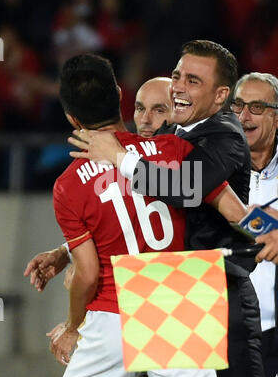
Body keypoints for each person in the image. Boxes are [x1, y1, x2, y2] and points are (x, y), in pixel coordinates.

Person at [68, 40, 267, 377]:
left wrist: (120, 157)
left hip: (220, 291)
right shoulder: (174, 138)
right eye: (177, 75)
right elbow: (135, 209)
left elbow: (189, 190)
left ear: (221, 95)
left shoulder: (224, 135)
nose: (178, 86)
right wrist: (63, 251)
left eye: (193, 80)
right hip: (166, 290)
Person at [23, 76, 172, 291]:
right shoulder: (129, 158)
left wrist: (72, 324)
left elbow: (184, 191)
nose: (145, 120)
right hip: (150, 295)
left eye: (159, 110)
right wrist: (67, 251)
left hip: (187, 291)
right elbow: (128, 223)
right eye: (139, 108)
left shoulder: (184, 155)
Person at [228, 71, 278, 377]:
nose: (243, 116)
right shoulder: (214, 169)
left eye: (256, 106)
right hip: (223, 338)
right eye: (238, 105)